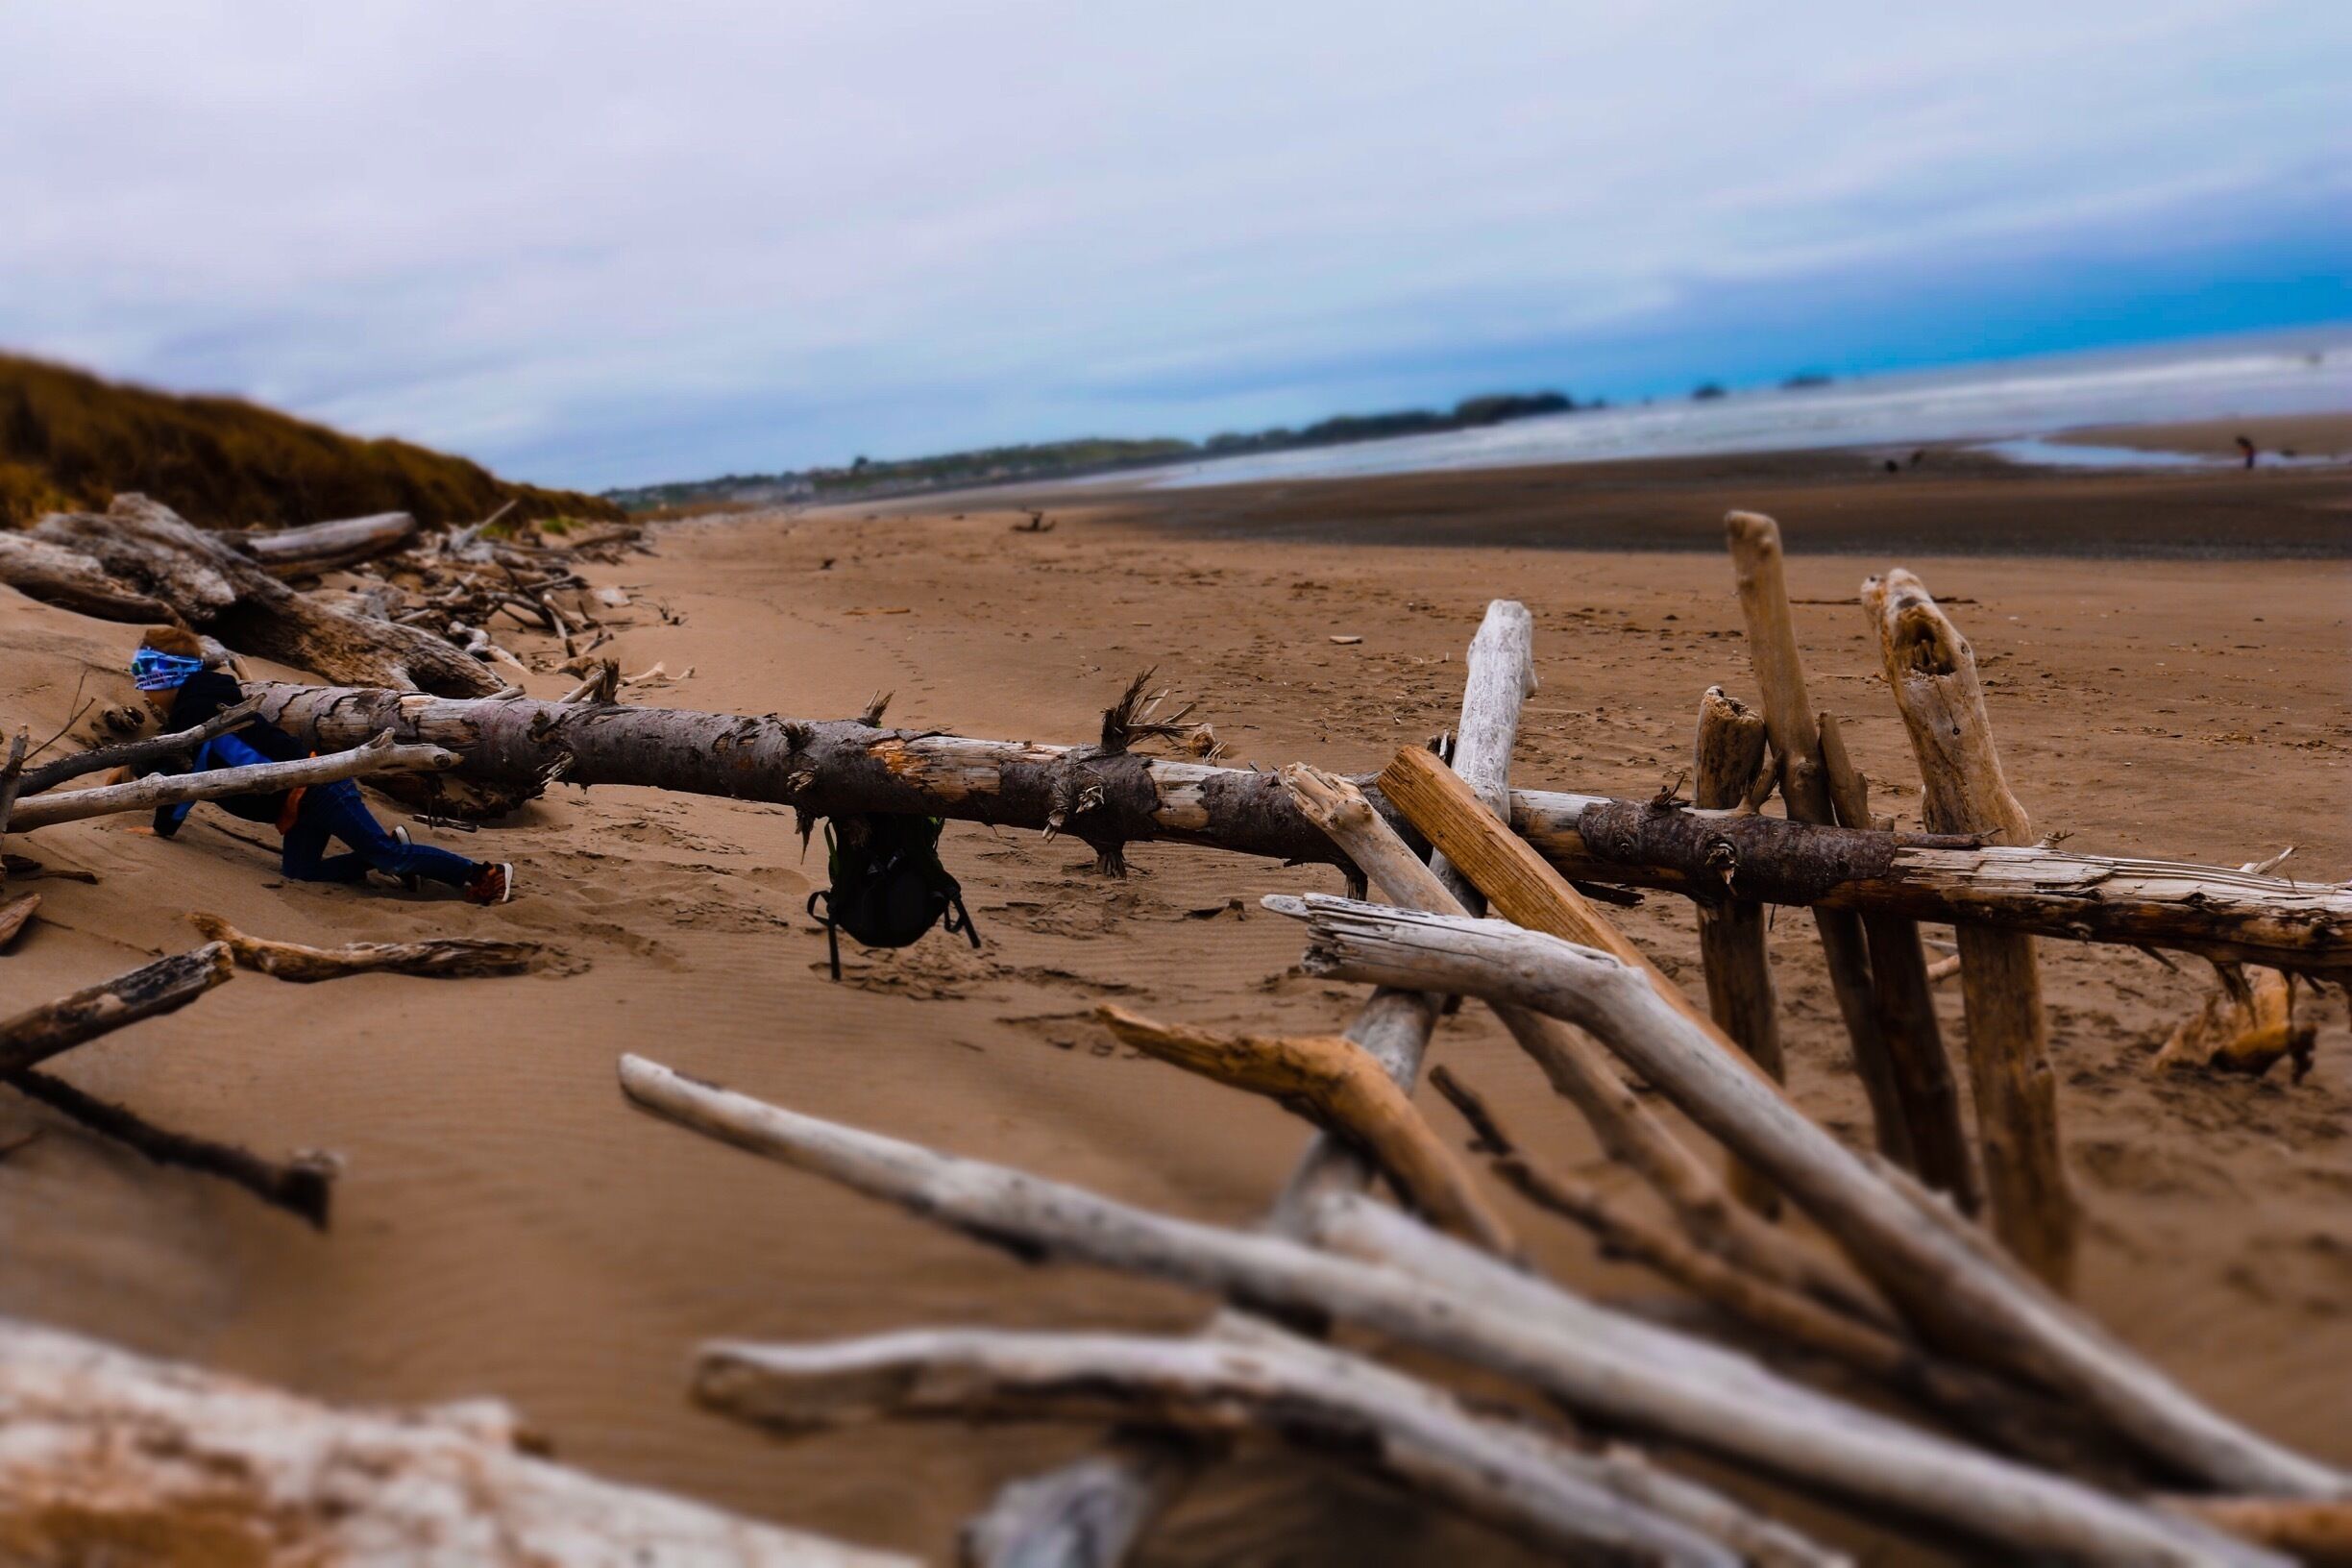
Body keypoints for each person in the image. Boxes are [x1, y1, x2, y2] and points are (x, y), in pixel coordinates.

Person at [131, 627, 512, 903]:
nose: (143, 690)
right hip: (295, 800)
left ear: (170, 675)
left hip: (319, 788)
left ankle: (481, 873)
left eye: (146, 678)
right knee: (302, 872)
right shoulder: (198, 707)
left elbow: (188, 779)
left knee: (388, 858)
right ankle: (396, 852)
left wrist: (163, 830)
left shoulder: (198, 714)